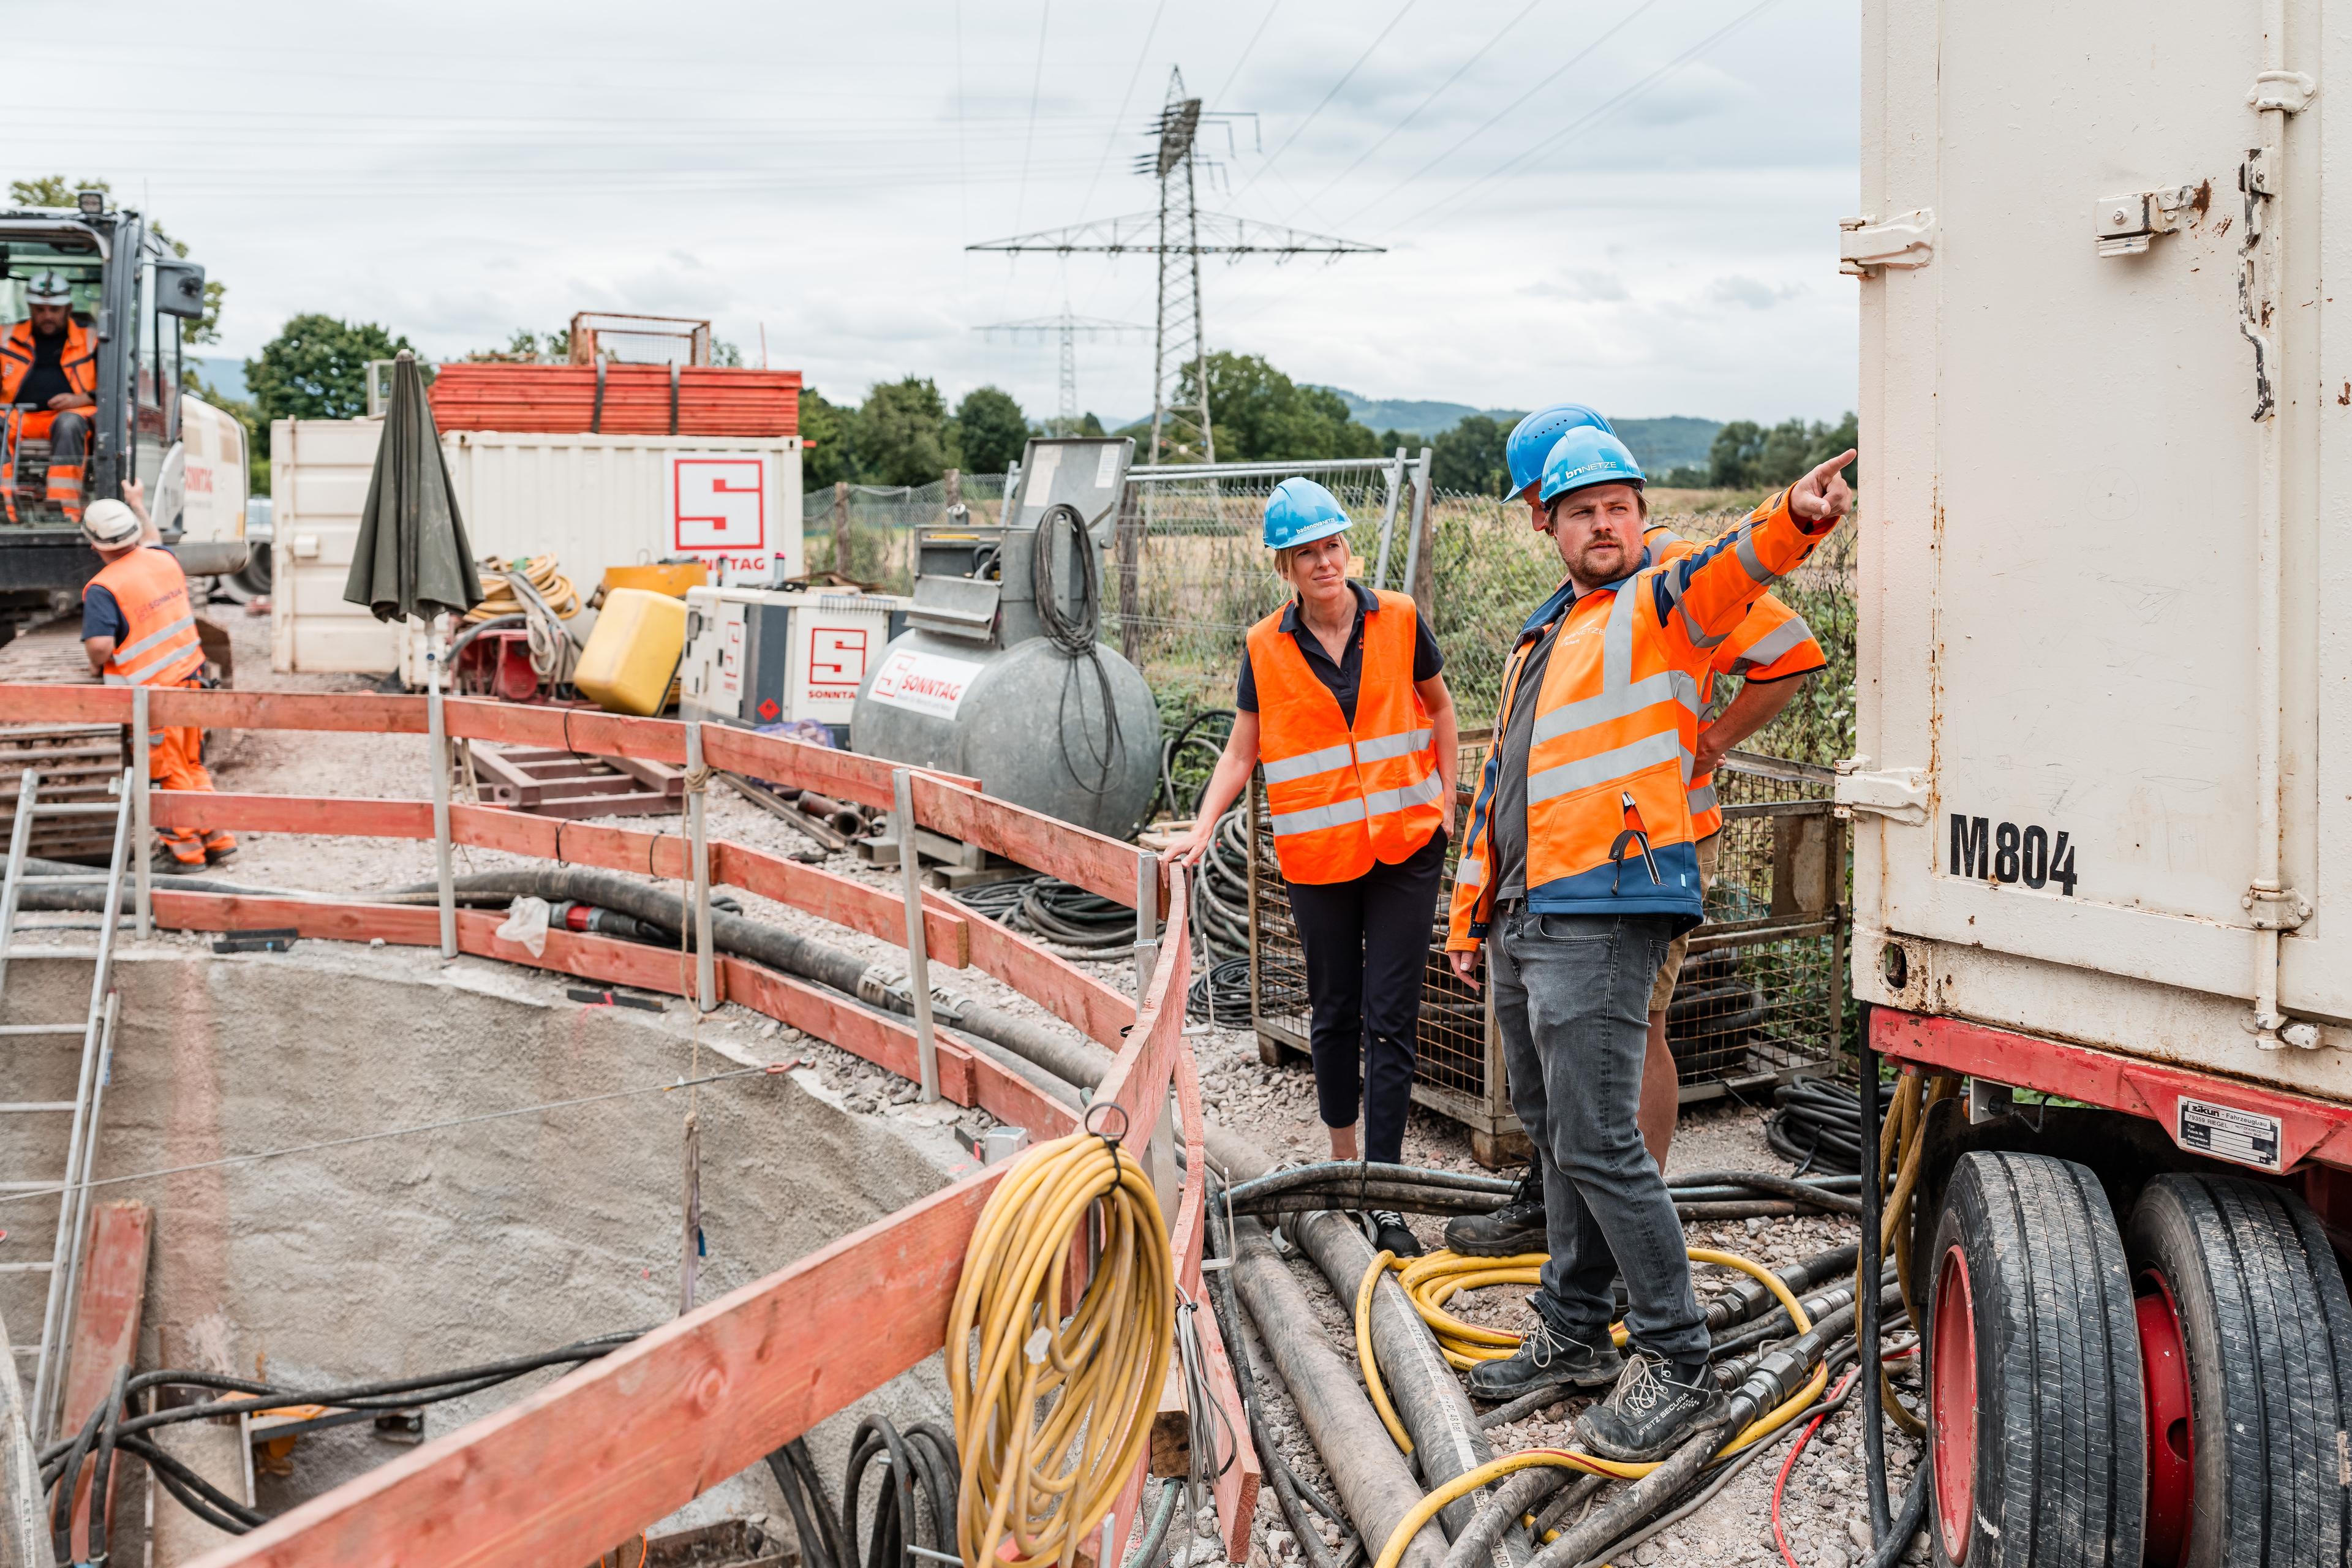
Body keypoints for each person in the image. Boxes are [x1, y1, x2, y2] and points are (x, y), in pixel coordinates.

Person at [1447, 427, 1853, 1461]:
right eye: (1582, 510)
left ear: (1639, 515)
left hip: (1610, 902)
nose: (1605, 524)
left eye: (1619, 506)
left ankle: (1678, 1362)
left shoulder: (1660, 601)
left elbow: (1736, 570)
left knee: (1597, 1137)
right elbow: (1500, 788)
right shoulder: (1543, 637)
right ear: (1547, 523)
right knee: (1554, 1126)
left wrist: (1791, 519)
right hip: (1528, 912)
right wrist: (1471, 913)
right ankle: (1576, 1330)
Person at [1169, 477, 1459, 1257]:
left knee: (1393, 1014)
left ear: (1346, 549)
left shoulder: (1397, 618)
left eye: (1332, 546)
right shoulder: (1265, 647)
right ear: (1286, 567)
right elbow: (1242, 751)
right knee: (1334, 1011)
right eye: (1307, 553)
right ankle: (1344, 1171)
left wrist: (1449, 799)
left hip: (1405, 847)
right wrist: (1202, 830)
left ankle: (1387, 1190)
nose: (1324, 562)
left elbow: (1438, 708)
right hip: (1320, 857)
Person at [80, 483, 236, 870]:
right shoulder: (164, 559)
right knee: (191, 764)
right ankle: (217, 838)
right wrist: (137, 502)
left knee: (167, 773)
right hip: (191, 682)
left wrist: (94, 665)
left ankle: (185, 853)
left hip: (154, 696)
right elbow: (151, 539)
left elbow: (100, 647)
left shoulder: (103, 587)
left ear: (93, 545)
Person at [2, 271, 99, 524]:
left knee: (69, 424)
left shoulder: (92, 341)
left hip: (70, 416)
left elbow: (117, 388)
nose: (47, 316)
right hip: (15, 416)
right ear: (31, 307)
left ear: (68, 308)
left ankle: (63, 511)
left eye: (54, 310)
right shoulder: (5, 338)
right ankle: (5, 510)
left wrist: (82, 399)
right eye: (40, 309)